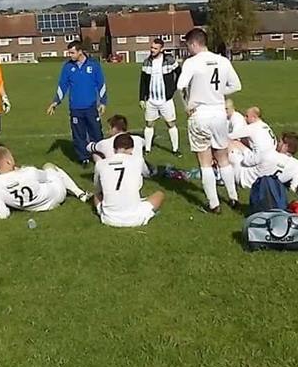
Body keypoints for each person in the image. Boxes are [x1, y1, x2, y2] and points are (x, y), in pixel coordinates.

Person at [176, 28, 242, 213]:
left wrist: (187, 106)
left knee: (204, 161)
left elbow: (180, 86)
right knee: (223, 158)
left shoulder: (191, 62)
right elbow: (236, 85)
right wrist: (218, 93)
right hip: (219, 113)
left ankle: (214, 204)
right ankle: (233, 197)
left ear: (193, 43)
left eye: (188, 45)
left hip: (200, 114)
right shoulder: (223, 61)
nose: (188, 49)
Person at [46, 41, 107, 166]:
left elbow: (101, 84)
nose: (70, 55)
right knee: (79, 135)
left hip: (91, 106)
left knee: (96, 132)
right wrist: (55, 102)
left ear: (80, 52)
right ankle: (83, 158)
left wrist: (103, 102)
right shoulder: (67, 67)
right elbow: (62, 86)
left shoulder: (93, 65)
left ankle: (100, 157)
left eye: (72, 53)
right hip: (75, 108)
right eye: (69, 53)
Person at [0, 147, 90, 218]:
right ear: (9, 161)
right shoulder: (29, 171)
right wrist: (21, 171)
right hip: (56, 195)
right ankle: (80, 193)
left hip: (33, 208)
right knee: (48, 166)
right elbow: (46, 177)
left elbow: (3, 215)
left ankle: (78, 194)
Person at [93, 133, 164, 227]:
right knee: (160, 194)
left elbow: (97, 188)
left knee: (96, 195)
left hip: (109, 218)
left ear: (114, 149)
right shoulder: (138, 160)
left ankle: (105, 209)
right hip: (134, 219)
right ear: (131, 149)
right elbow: (146, 173)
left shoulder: (101, 164)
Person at [138, 39, 181, 156]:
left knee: (170, 124)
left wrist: (174, 87)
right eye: (151, 47)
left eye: (155, 48)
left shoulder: (169, 60)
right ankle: (147, 149)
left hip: (166, 100)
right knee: (149, 124)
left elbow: (179, 72)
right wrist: (142, 98)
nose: (152, 50)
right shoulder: (146, 62)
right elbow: (143, 81)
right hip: (151, 100)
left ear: (161, 49)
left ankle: (175, 149)